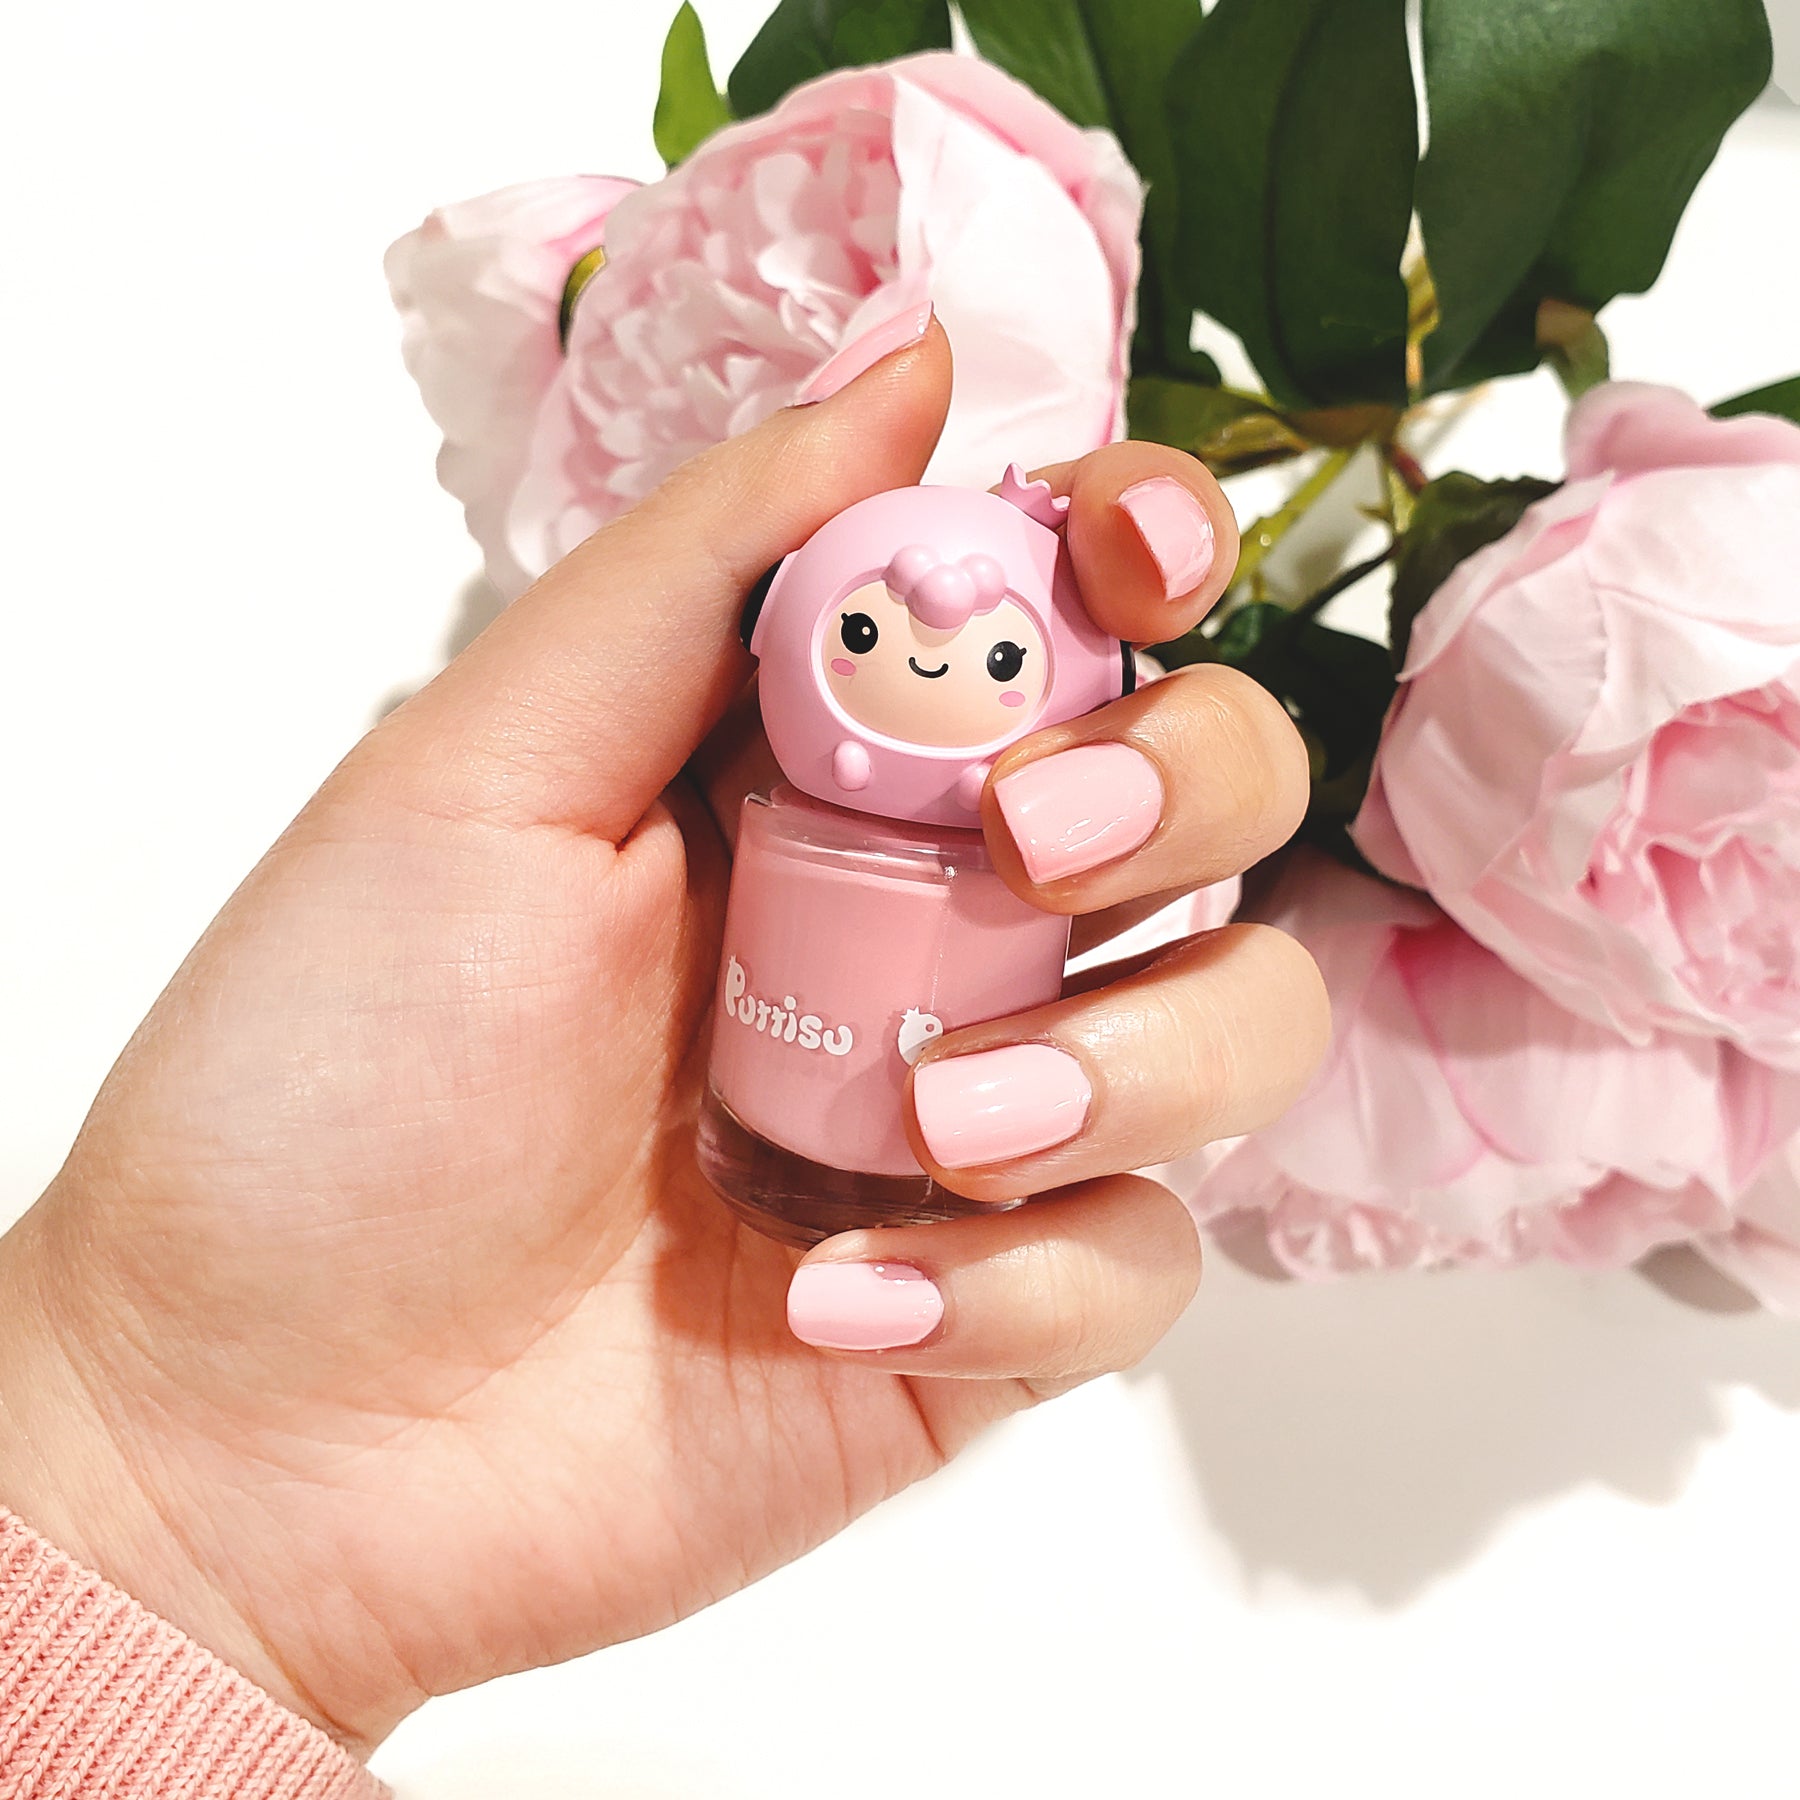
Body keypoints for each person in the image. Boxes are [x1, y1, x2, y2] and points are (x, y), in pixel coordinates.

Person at [0, 327, 1327, 1795]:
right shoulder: (773, 800)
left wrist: (155, 1527)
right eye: (874, 640)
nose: (931, 662)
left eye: (996, 657)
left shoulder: (1010, 822)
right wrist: (128, 1455)